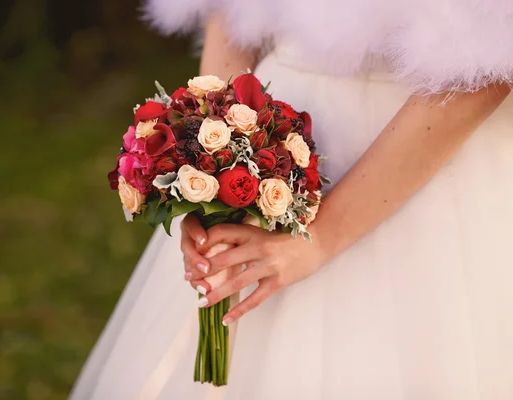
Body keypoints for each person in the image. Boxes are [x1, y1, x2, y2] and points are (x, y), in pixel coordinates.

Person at [71, 0, 513, 398]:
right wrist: (208, 160)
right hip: (269, 118)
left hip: (420, 157)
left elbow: (485, 64)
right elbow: (228, 15)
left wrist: (321, 236)